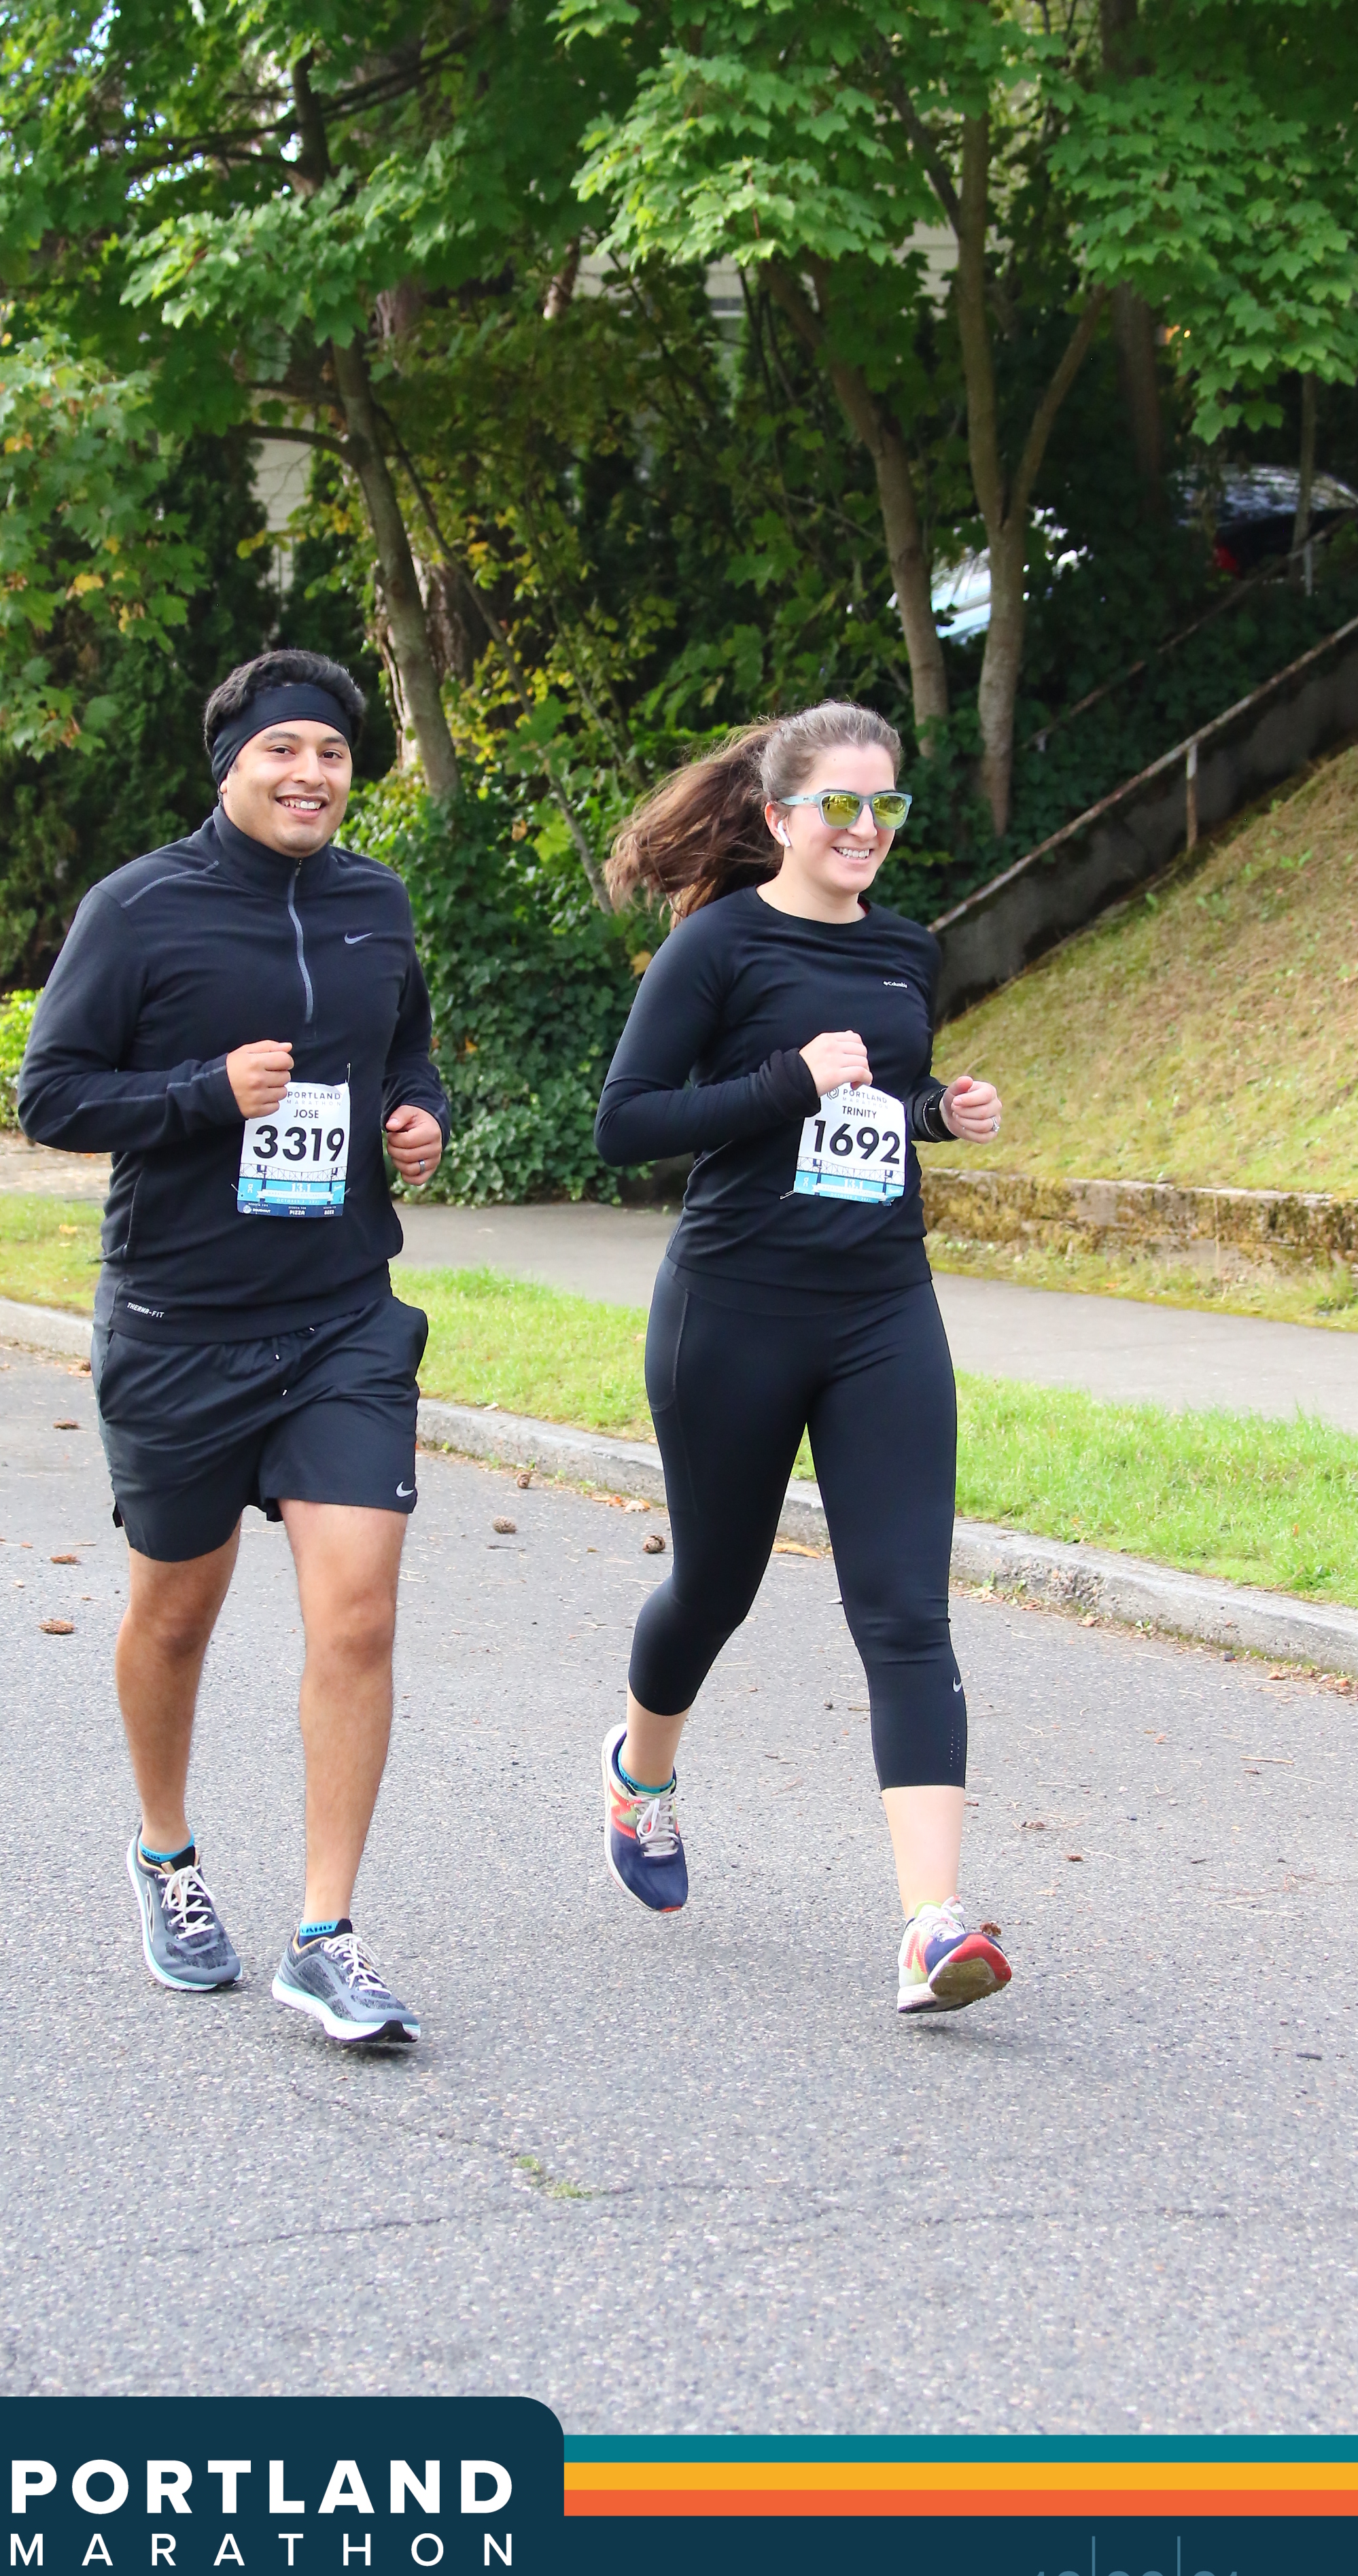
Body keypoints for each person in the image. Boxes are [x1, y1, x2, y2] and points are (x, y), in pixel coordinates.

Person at [18, 647, 449, 2046]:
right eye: (283, 750)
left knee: (359, 1611)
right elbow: (51, 1096)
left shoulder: (379, 904)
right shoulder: (138, 908)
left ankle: (325, 1934)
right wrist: (207, 1092)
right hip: (180, 1324)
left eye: (332, 752)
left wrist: (419, 1118)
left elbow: (406, 1050)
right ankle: (165, 1852)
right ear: (230, 766)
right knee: (175, 1613)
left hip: (342, 1315)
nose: (311, 773)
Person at [592, 700, 1013, 2015]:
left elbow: (878, 1106)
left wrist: (940, 1111)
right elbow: (625, 1124)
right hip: (735, 1311)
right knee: (714, 1589)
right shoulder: (717, 946)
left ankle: (931, 1925)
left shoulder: (905, 950)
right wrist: (789, 1079)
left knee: (907, 1609)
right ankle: (640, 1775)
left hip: (883, 1309)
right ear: (780, 818)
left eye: (886, 804)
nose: (866, 827)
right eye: (840, 804)